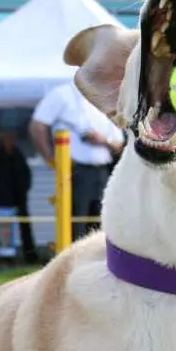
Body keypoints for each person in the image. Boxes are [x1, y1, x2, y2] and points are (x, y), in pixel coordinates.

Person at [29, 81, 125, 242]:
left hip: (102, 171)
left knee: (101, 224)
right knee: (76, 225)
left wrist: (102, 140)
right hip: (75, 170)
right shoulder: (62, 95)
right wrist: (50, 159)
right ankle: (73, 263)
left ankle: (97, 263)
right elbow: (37, 126)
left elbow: (118, 144)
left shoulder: (105, 99)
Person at [0, 130, 37, 263]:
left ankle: (30, 255)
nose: (9, 142)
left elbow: (27, 176)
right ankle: (4, 257)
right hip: (3, 200)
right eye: (6, 139)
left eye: (11, 139)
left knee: (25, 226)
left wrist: (24, 191)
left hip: (20, 198)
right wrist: (0, 193)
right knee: (3, 228)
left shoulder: (19, 156)